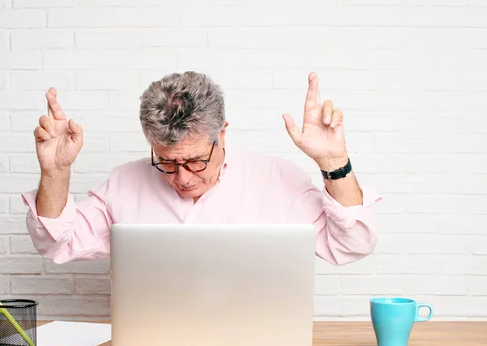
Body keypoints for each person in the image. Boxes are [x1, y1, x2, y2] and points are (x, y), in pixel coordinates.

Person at [22, 71, 381, 266]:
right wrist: (55, 173)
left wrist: (334, 163)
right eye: (165, 162)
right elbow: (57, 243)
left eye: (195, 161)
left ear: (221, 133)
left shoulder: (279, 180)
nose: (182, 178)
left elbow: (353, 245)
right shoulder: (124, 183)